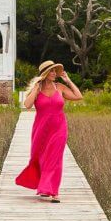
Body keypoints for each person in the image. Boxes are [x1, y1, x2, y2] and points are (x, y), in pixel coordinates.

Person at [14, 60, 83, 203]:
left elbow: (78, 96)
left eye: (55, 71)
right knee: (39, 158)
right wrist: (35, 89)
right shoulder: (38, 90)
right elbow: (27, 105)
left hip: (59, 128)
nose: (54, 74)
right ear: (45, 74)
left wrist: (68, 80)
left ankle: (54, 192)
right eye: (51, 71)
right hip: (41, 130)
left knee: (55, 159)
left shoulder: (60, 87)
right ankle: (44, 187)